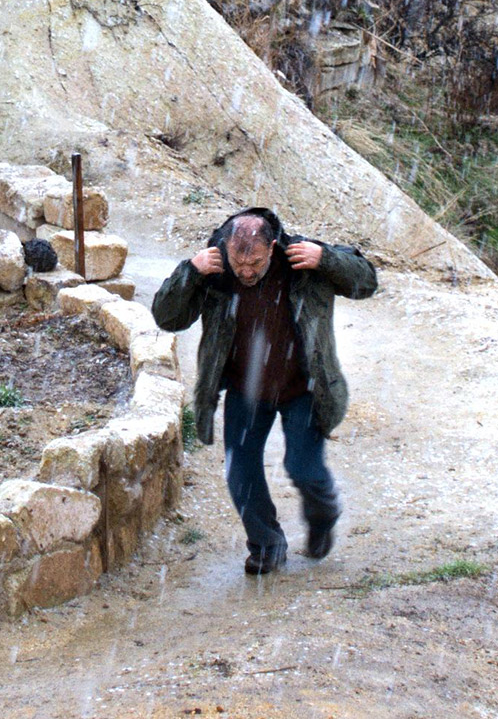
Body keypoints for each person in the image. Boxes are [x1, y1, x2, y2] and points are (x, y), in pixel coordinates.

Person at [151, 207, 378, 574]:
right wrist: (189, 272)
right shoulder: (213, 271)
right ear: (225, 247)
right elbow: (167, 317)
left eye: (255, 262)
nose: (246, 272)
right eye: (238, 262)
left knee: (303, 468)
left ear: (272, 248)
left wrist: (329, 260)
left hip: (303, 388)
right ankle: (266, 544)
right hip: (246, 389)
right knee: (239, 473)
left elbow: (367, 282)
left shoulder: (302, 259)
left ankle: (323, 516)